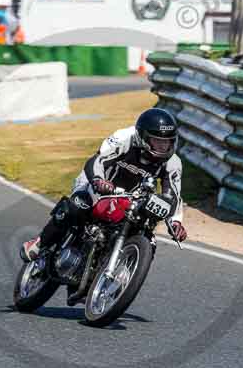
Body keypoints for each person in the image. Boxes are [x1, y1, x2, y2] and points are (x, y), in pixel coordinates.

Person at [21, 108, 188, 262]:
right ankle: (41, 242)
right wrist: (99, 180)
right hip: (99, 182)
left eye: (167, 142)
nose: (163, 147)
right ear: (142, 137)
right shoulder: (124, 138)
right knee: (78, 205)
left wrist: (176, 222)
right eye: (157, 142)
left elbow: (173, 196)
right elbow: (98, 160)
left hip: (131, 198)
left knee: (147, 238)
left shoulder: (173, 163)